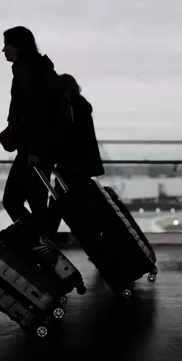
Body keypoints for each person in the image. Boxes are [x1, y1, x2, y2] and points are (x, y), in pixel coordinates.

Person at [0, 26, 69, 224]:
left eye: (7, 45)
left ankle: (38, 243)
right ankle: (41, 245)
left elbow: (34, 112)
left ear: (19, 46)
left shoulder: (28, 72)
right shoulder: (38, 69)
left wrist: (34, 150)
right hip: (42, 147)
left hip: (34, 149)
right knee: (37, 202)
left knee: (12, 200)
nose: (3, 50)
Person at [44, 73, 105, 240]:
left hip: (71, 162)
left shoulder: (69, 106)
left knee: (58, 201)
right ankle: (94, 236)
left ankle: (46, 239)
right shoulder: (81, 105)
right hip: (82, 163)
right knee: (72, 200)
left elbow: (66, 135)